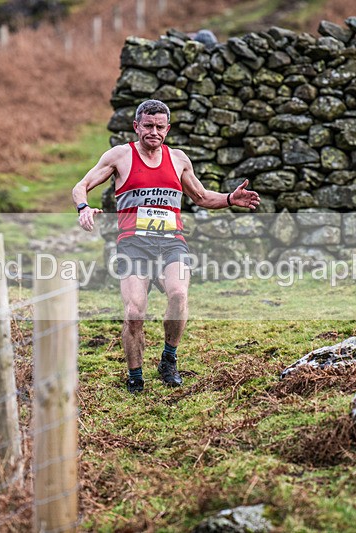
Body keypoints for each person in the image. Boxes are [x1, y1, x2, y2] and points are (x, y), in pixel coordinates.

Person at [72, 99, 260, 393]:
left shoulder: (179, 159)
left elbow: (199, 196)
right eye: (148, 126)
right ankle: (135, 375)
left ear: (167, 128)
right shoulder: (120, 156)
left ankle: (168, 360)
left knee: (178, 295)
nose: (154, 132)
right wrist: (84, 207)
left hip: (171, 243)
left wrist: (229, 199)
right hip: (133, 244)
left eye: (160, 127)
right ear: (136, 126)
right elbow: (80, 185)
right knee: (134, 312)